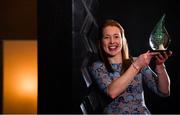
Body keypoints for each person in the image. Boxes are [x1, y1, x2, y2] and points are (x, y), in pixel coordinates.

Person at [89, 19, 172, 114]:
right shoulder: (97, 67)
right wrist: (137, 65)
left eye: (116, 37)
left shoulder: (138, 61)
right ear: (101, 42)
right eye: (107, 37)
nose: (112, 41)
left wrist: (160, 66)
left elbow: (164, 92)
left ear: (123, 40)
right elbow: (112, 93)